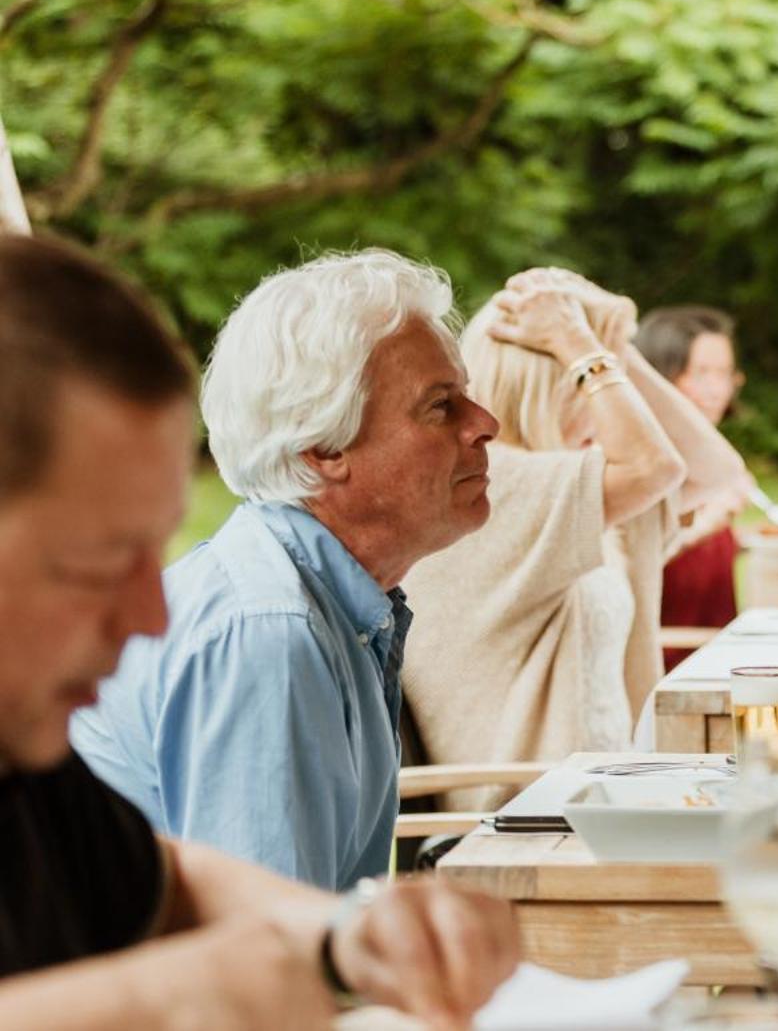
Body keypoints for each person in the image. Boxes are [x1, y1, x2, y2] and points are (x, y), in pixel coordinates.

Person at [0, 233, 516, 1028]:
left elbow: (165, 880)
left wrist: (346, 935)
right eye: (95, 563)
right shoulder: (263, 624)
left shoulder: (25, 751)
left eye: (156, 547)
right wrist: (163, 995)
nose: (150, 615)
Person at [71, 249, 498, 890]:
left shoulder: (326, 603)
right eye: (441, 406)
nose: (485, 424)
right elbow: (272, 957)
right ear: (325, 449)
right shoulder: (270, 631)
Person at [402, 269, 749, 804]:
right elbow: (655, 468)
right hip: (527, 817)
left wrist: (610, 346)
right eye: (585, 386)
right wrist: (576, 341)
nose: (606, 406)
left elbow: (713, 472)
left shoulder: (574, 489)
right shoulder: (499, 485)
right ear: (547, 390)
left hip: (598, 803)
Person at [636, 305, 755, 671]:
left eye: (724, 373)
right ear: (657, 378)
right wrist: (708, 522)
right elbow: (628, 566)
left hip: (717, 661)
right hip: (662, 669)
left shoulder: (709, 460)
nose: (717, 389)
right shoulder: (643, 461)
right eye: (700, 373)